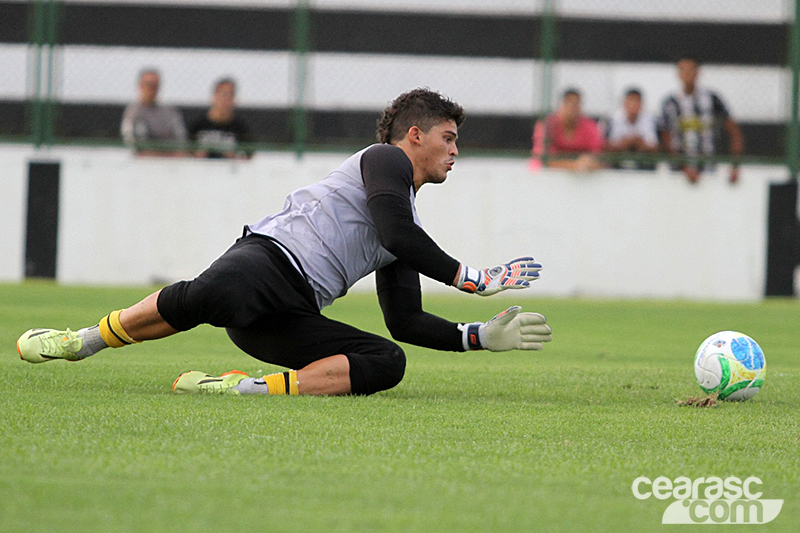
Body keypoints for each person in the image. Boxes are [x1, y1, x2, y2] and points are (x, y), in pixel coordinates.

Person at [17, 88, 552, 397]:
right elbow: (396, 233)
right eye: (448, 137)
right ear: (415, 136)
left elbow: (404, 322)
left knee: (385, 361)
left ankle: (244, 390)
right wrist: (472, 278)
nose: (455, 150)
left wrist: (477, 336)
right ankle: (81, 341)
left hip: (285, 316)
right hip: (266, 264)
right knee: (210, 296)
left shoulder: (402, 217)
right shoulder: (384, 158)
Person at [659, 56, 744, 184]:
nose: (687, 74)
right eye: (684, 70)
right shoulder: (670, 103)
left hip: (710, 171)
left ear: (698, 73)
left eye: (691, 70)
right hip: (679, 175)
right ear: (678, 74)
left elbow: (734, 132)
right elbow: (666, 139)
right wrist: (684, 167)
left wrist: (734, 165)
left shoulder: (712, 99)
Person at [530, 88, 604, 172]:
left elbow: (598, 156)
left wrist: (589, 161)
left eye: (576, 103)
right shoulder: (546, 125)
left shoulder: (590, 126)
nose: (572, 107)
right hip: (547, 174)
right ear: (560, 105)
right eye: (568, 102)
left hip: (582, 176)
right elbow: (544, 159)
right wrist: (574, 165)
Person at [120, 69, 188, 156]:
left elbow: (181, 140)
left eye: (155, 85)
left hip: (171, 162)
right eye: (149, 84)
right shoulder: (133, 112)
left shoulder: (170, 112)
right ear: (140, 86)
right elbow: (135, 146)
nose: (152, 89)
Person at [189, 78, 252, 159]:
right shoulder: (198, 125)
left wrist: (235, 157)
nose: (225, 100)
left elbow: (249, 155)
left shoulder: (240, 128)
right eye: (222, 95)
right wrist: (196, 155)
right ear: (214, 97)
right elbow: (186, 151)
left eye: (229, 95)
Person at [605, 88, 659, 170]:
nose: (634, 104)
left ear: (641, 104)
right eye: (631, 101)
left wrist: (637, 142)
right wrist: (627, 143)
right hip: (618, 165)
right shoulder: (614, 119)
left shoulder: (649, 119)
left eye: (637, 101)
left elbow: (655, 147)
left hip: (643, 165)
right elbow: (607, 147)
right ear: (624, 103)